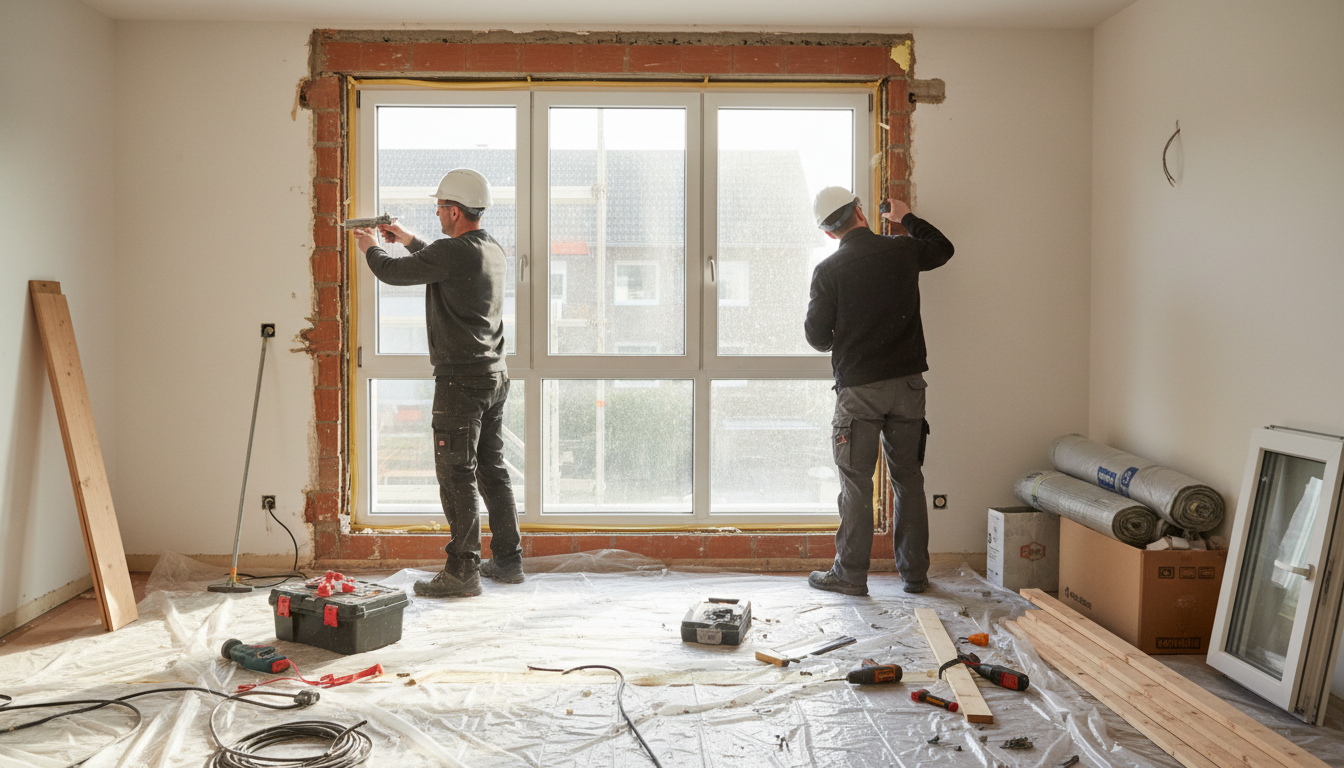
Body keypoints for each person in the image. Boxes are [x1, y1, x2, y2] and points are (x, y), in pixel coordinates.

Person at [353, 168, 523, 598]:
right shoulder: (489, 248)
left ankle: (462, 570)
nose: (436, 214)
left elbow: (393, 273)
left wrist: (370, 247)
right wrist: (408, 237)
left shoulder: (454, 251)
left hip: (460, 383)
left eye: (439, 208)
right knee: (491, 471)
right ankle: (507, 560)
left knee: (456, 475)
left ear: (453, 211)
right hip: (493, 377)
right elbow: (441, 258)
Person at [803, 188, 953, 596]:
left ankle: (850, 576)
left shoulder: (829, 271)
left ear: (830, 233)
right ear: (860, 212)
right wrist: (905, 218)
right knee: (908, 479)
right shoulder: (901, 251)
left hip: (860, 391)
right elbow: (943, 249)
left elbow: (817, 338)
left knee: (857, 484)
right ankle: (915, 576)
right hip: (908, 387)